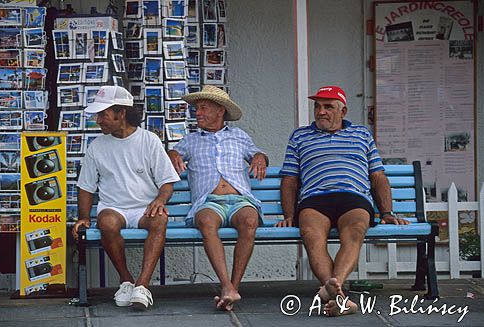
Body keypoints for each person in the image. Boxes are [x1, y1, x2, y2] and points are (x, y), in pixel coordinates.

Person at [277, 86, 409, 316]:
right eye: (317, 106)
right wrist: (289, 215)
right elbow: (290, 179)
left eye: (328, 106)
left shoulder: (361, 134)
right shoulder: (300, 136)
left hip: (354, 196)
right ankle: (339, 295)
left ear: (343, 111)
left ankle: (332, 287)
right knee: (310, 233)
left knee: (356, 229)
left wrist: (387, 212)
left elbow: (377, 176)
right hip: (315, 198)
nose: (320, 112)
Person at [72, 86, 180, 310]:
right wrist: (83, 217)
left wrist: (160, 200)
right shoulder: (97, 146)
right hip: (114, 207)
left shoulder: (149, 140)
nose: (99, 120)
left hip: (145, 208)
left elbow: (167, 182)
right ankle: (126, 281)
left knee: (160, 219)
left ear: (121, 113)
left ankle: (142, 286)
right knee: (107, 223)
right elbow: (86, 187)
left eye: (103, 114)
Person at [168, 85, 268, 311]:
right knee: (206, 222)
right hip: (208, 201)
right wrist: (172, 154)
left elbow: (257, 152)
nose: (198, 113)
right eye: (197, 108)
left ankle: (234, 286)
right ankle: (226, 286)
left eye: (203, 108)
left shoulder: (240, 136)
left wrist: (261, 157)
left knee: (250, 221)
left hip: (240, 199)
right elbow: (172, 154)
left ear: (220, 111)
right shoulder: (190, 140)